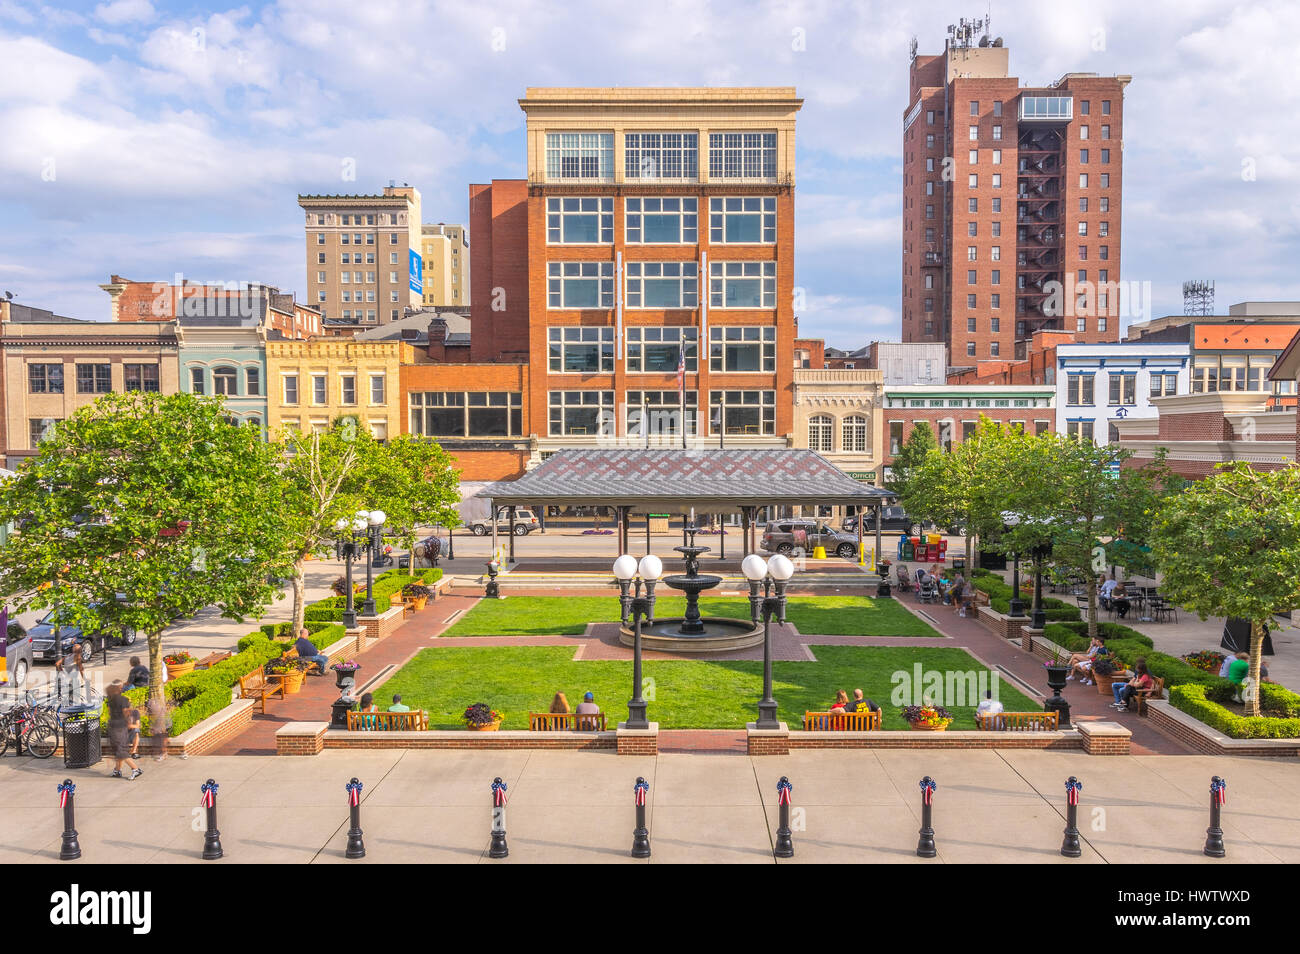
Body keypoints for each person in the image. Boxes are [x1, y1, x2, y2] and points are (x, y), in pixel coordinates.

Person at [105, 684, 142, 780]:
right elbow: (126, 713)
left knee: (120, 751)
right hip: (121, 727)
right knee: (119, 750)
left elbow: (110, 713)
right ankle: (117, 771)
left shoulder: (110, 701)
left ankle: (135, 769)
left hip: (114, 727)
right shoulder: (124, 700)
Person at [56, 639, 85, 705]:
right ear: (80, 650)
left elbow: (57, 664)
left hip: (66, 678)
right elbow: (81, 669)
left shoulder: (68, 656)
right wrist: (84, 678)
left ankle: (67, 708)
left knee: (67, 695)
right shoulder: (78, 657)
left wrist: (62, 671)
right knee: (76, 696)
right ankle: (74, 710)